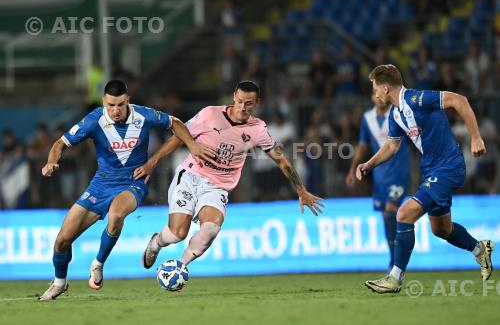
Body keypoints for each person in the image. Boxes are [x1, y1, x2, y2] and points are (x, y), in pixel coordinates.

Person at [38, 80, 214, 301]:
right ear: (104, 102)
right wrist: (51, 161)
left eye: (120, 104)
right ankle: (59, 283)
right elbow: (60, 144)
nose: (116, 110)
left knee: (116, 214)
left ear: (127, 100)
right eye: (111, 105)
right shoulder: (94, 120)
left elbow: (175, 123)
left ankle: (98, 263)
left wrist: (192, 145)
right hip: (100, 185)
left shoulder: (143, 115)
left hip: (133, 182)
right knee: (62, 241)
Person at [134, 81, 324, 274]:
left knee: (211, 230)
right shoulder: (210, 114)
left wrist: (301, 190)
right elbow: (178, 135)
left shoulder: (258, 129)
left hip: (217, 187)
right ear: (234, 96)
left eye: (248, 103)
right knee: (177, 234)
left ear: (257, 103)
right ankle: (156, 242)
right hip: (191, 175)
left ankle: (179, 268)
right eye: (240, 101)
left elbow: (281, 160)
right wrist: (154, 161)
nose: (242, 107)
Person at [357, 65, 494, 294]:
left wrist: (476, 137)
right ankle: (481, 250)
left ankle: (395, 277)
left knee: (404, 213)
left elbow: (459, 100)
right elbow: (392, 145)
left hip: (448, 166)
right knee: (441, 229)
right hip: (432, 170)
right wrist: (369, 164)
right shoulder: (395, 113)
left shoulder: (417, 99)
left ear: (385, 87)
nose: (375, 93)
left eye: (375, 87)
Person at [346, 92, 410, 270]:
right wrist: (353, 169)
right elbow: (363, 145)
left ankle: (397, 261)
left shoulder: (398, 114)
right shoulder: (367, 119)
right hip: (379, 177)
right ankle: (394, 260)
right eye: (374, 94)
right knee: (385, 216)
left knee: (391, 211)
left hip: (398, 173)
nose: (378, 97)